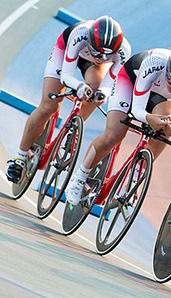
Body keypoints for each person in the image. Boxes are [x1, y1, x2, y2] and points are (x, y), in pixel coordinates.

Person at [64, 41, 171, 205]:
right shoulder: (155, 63)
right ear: (168, 68)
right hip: (130, 83)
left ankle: (138, 171)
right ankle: (80, 178)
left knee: (164, 131)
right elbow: (137, 109)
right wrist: (148, 118)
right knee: (114, 135)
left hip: (160, 99)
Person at [6, 15, 131, 183]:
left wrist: (102, 94)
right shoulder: (80, 34)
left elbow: (109, 83)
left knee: (95, 85)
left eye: (105, 56)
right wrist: (79, 86)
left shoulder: (124, 50)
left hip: (91, 66)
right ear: (90, 43)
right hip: (67, 54)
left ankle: (76, 124)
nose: (100, 58)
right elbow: (66, 75)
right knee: (48, 107)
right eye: (97, 53)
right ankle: (19, 157)